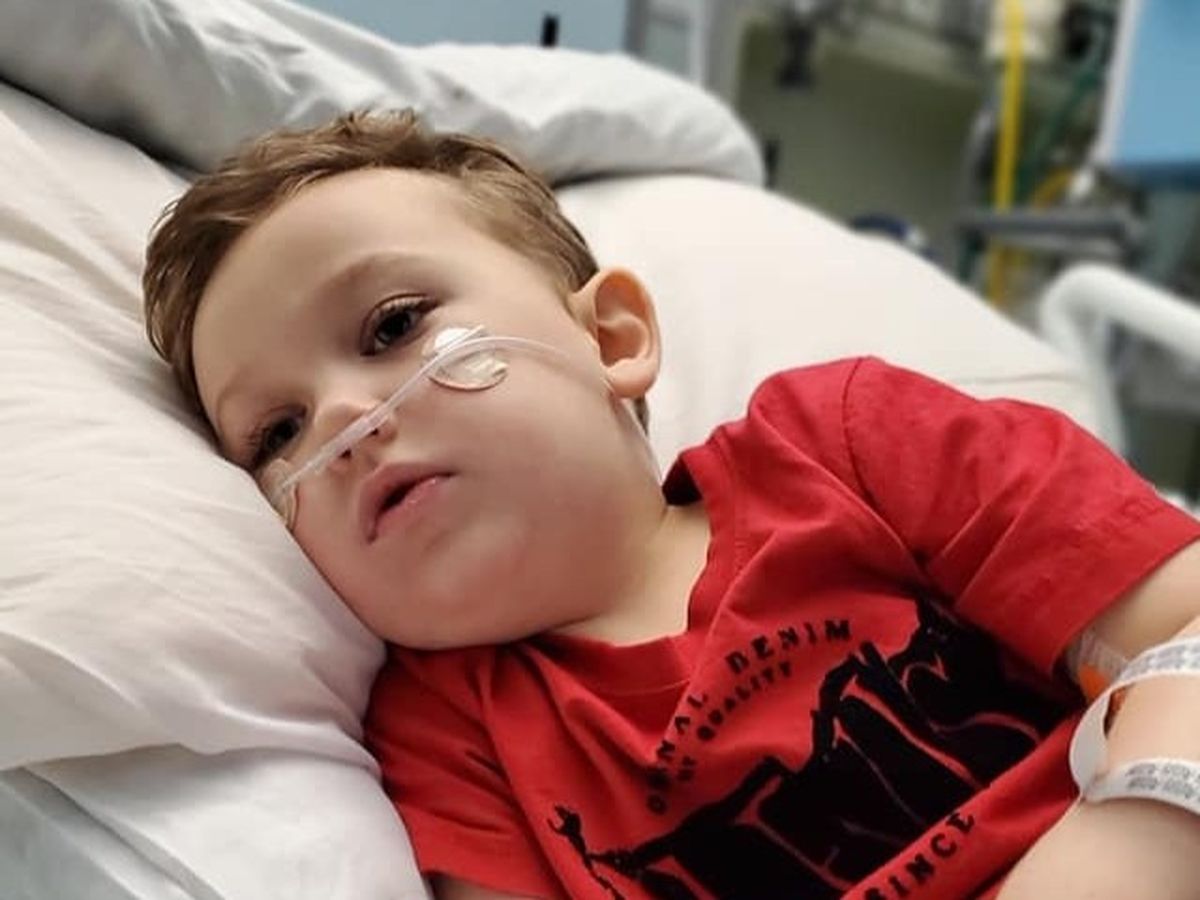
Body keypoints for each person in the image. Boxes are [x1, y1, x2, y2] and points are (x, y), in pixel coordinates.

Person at [142, 110, 1200, 900]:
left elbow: (1185, 634)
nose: (338, 420)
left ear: (611, 339)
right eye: (274, 434)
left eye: (392, 325)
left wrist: (1128, 850)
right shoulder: (448, 739)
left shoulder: (847, 446)